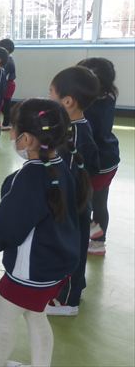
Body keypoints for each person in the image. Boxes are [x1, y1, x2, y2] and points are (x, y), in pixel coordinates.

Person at [0, 99, 80, 367]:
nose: (10, 134)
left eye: (13, 129)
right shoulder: (60, 165)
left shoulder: (31, 176)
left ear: (26, 139)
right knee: (36, 314)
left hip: (30, 270)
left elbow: (12, 223)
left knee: (4, 317)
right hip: (56, 263)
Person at [45, 66, 99, 316]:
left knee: (67, 250)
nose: (48, 97)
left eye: (51, 93)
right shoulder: (78, 126)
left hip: (70, 206)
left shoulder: (74, 135)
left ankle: (67, 301)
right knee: (74, 248)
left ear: (67, 101)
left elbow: (64, 178)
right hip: (79, 202)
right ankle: (76, 287)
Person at [77, 58, 120, 256]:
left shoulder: (87, 107)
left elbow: (83, 138)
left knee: (80, 203)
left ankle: (89, 232)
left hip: (94, 164)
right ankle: (98, 243)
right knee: (100, 203)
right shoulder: (109, 94)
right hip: (109, 159)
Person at [0, 39, 17, 131]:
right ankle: (8, 122)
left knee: (5, 105)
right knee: (4, 104)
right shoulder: (8, 59)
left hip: (8, 85)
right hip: (7, 84)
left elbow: (3, 75)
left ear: (6, 50)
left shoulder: (7, 61)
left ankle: (7, 123)